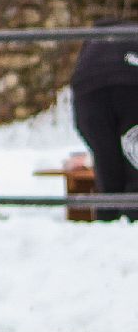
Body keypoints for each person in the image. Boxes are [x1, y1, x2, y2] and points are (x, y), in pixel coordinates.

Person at [69, 18, 138, 222]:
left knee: (108, 169)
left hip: (87, 91)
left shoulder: (95, 39)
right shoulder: (130, 35)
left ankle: (107, 221)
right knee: (134, 164)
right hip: (130, 84)